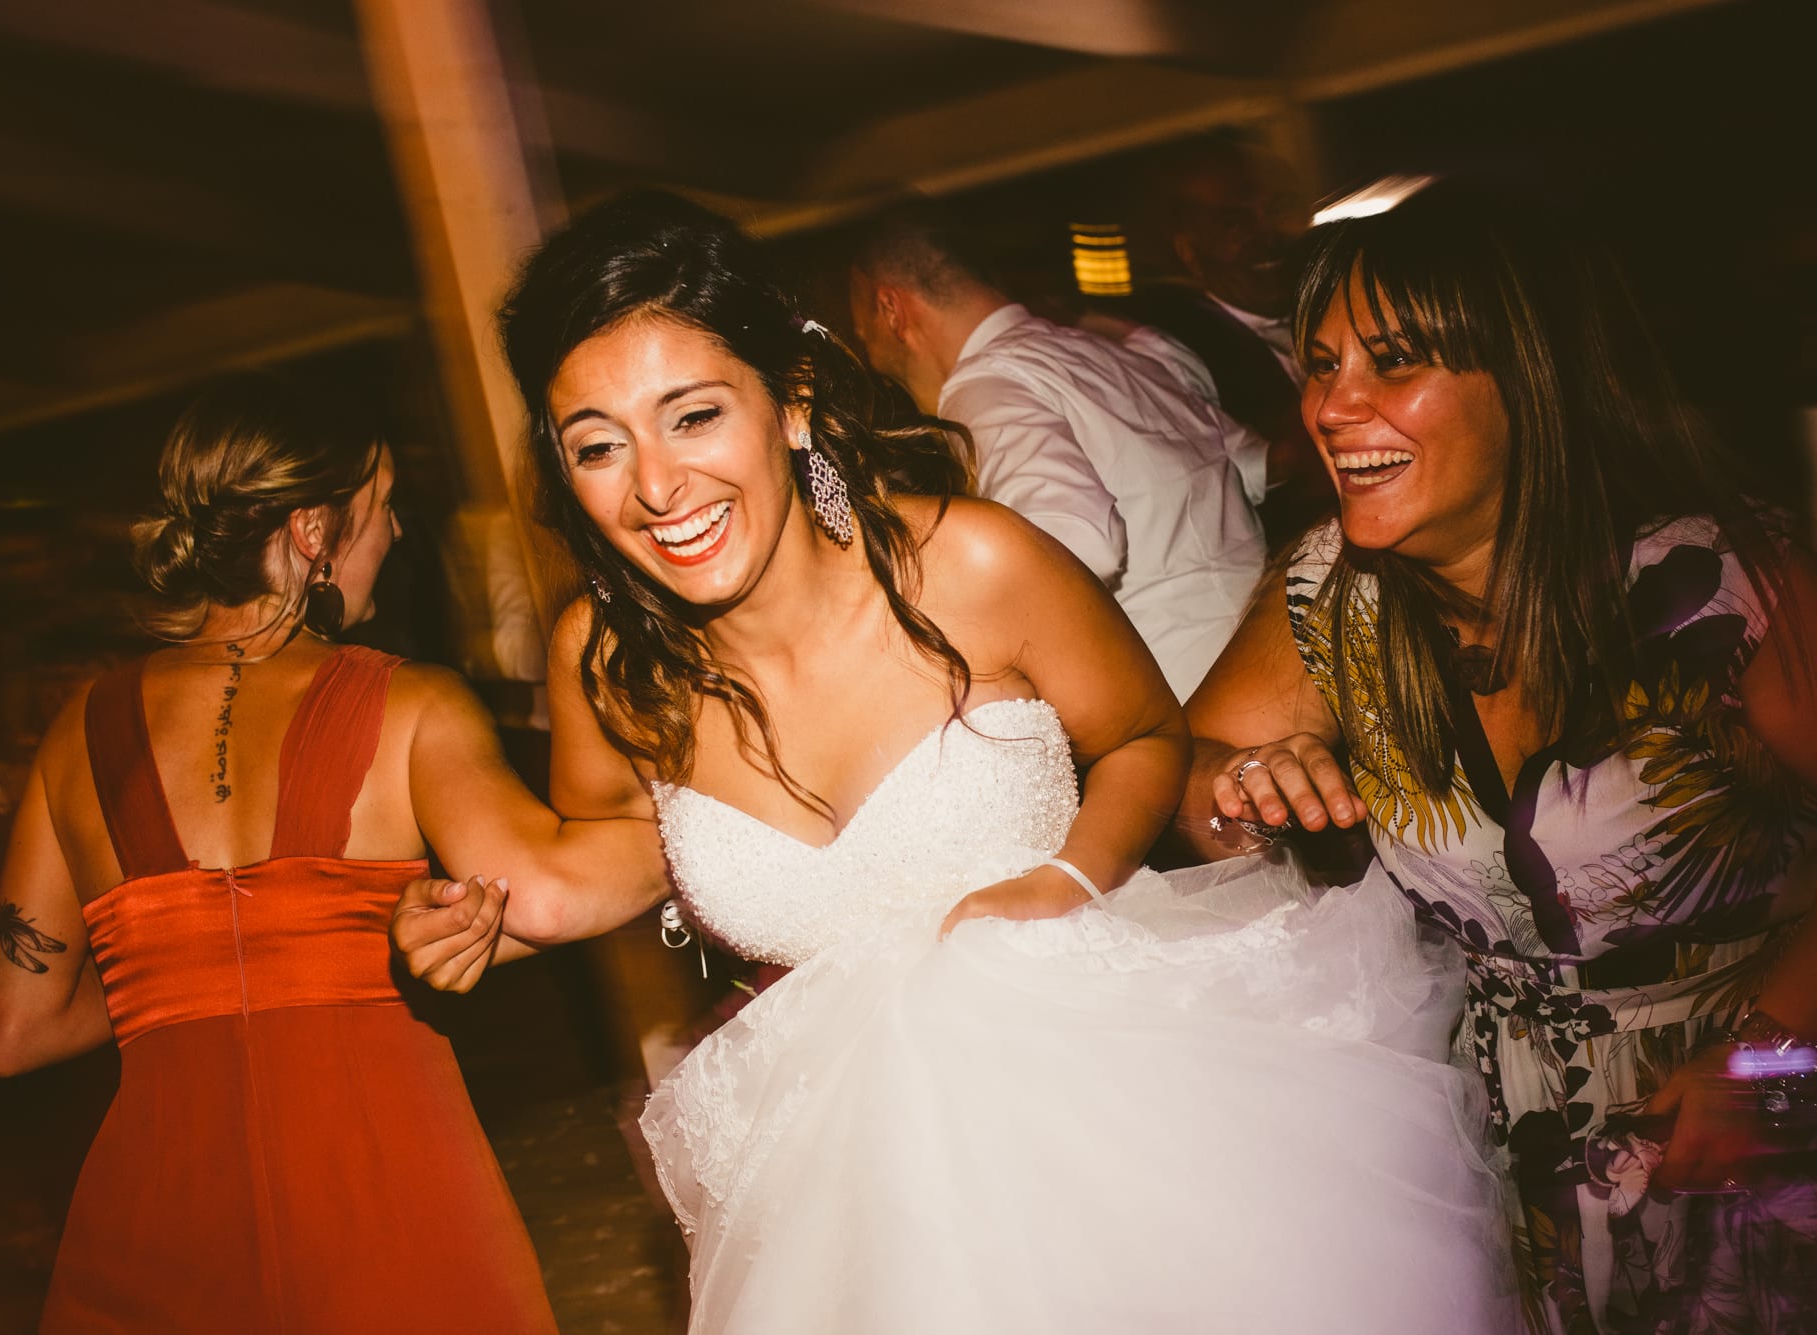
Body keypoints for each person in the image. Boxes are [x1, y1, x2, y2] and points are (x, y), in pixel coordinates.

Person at [395, 191, 1513, 1334]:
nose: (654, 487)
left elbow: (1143, 735)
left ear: (791, 403)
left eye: (692, 417)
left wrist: (1066, 875)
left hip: (1122, 1122)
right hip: (852, 1194)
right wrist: (496, 916)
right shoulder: (605, 658)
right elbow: (624, 838)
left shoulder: (972, 563)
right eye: (597, 445)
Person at [1179, 181, 1817, 1331]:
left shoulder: (1721, 584)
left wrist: (1766, 1065)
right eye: (1319, 366)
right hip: (1509, 1150)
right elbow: (1196, 762)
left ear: (1527, 380)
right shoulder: (1331, 591)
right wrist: (1234, 788)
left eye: (1392, 363)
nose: (1331, 406)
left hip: (1761, 1125)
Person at [0, 380, 662, 1333]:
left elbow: (9, 1031)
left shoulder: (74, 732)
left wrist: (170, 978)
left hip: (161, 1218)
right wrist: (714, 820)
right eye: (383, 506)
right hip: (380, 1186)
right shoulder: (410, 703)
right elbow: (542, 892)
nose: (398, 533)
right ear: (311, 532)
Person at [846, 201, 1266, 698]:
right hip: (1268, 648)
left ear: (891, 310)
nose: (870, 355)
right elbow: (1251, 464)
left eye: (863, 335)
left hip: (1191, 695)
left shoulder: (984, 386)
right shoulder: (1106, 352)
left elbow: (1077, 540)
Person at [1113, 136, 1334, 542]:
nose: (1266, 234)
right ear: (1187, 249)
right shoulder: (1165, 359)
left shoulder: (1343, 301)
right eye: (1234, 223)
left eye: (1278, 209)